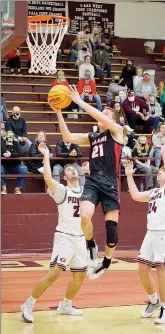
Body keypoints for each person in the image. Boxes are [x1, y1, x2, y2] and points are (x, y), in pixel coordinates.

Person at [49, 85, 124, 279]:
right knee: (84, 217)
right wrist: (59, 113)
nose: (101, 114)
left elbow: (101, 117)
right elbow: (67, 137)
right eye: (102, 111)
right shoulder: (93, 136)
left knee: (112, 232)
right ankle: (90, 243)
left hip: (109, 181)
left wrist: (80, 102)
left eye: (106, 113)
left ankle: (106, 262)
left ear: (112, 120)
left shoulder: (117, 131)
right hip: (92, 180)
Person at [21, 143, 87, 323]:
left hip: (80, 238)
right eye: (69, 169)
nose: (72, 170)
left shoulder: (87, 192)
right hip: (64, 237)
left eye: (74, 168)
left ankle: (66, 304)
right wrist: (46, 155)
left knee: (80, 275)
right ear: (64, 176)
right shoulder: (62, 191)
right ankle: (28, 304)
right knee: (54, 273)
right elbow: (48, 178)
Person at [123, 145, 165, 324]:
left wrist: (163, 155)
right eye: (159, 172)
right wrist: (130, 175)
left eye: (162, 171)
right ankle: (154, 301)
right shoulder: (154, 191)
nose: (159, 173)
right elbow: (135, 196)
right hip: (151, 233)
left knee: (161, 271)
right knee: (142, 269)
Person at [1, 128, 28, 195]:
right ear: (5, 137)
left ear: (13, 137)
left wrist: (11, 154)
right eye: (8, 136)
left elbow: (21, 152)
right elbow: (2, 152)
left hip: (15, 166)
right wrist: (5, 144)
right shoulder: (2, 143)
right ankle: (4, 189)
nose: (10, 138)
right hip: (4, 166)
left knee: (24, 168)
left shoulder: (16, 143)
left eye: (11, 136)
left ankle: (17, 189)